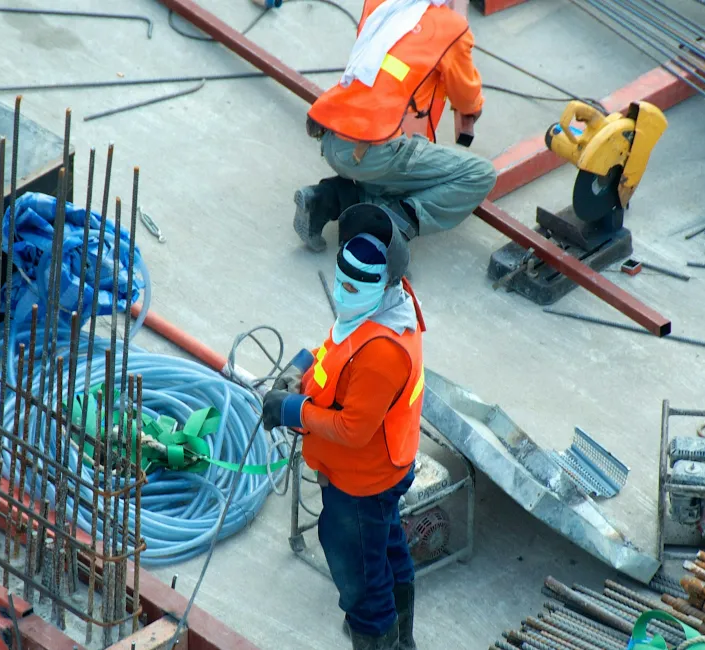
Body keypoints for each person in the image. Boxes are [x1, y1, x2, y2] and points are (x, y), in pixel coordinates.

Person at [262, 204, 428, 650]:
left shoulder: (382, 351)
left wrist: (291, 410)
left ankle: (376, 630)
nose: (345, 289)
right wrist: (304, 365)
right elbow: (339, 349)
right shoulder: (380, 307)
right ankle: (397, 635)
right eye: (342, 279)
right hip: (380, 470)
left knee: (359, 574)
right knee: (386, 546)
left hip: (363, 480)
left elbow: (354, 429)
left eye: (357, 284)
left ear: (386, 282)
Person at [293, 0, 496, 252]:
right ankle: (384, 229)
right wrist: (473, 107)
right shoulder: (451, 28)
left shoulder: (381, 3)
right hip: (374, 149)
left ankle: (325, 200)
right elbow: (466, 96)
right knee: (478, 174)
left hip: (332, 133)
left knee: (396, 172)